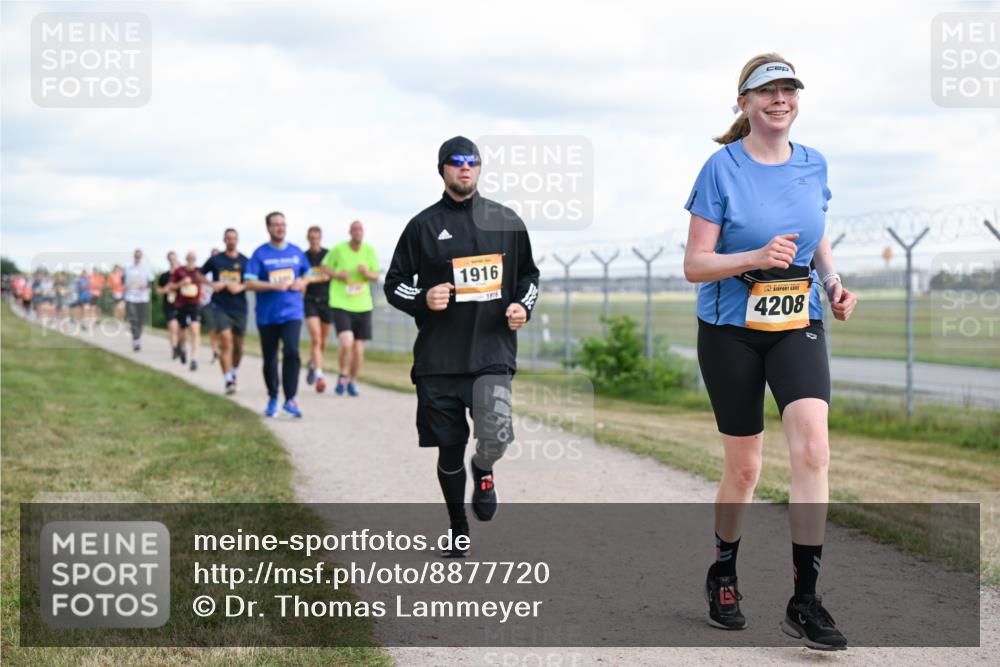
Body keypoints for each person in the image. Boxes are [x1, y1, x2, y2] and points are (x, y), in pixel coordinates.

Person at [682, 54, 858, 651]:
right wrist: (755, 257)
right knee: (746, 468)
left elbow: (818, 232)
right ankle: (723, 571)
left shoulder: (814, 164)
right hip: (730, 328)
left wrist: (831, 282)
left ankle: (804, 601)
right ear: (744, 104)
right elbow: (694, 265)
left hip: (798, 321)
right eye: (766, 91)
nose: (779, 99)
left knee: (813, 447)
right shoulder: (720, 168)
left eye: (788, 90)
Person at [384, 136, 539, 557]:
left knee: (497, 434)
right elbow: (393, 284)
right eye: (456, 162)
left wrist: (521, 308)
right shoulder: (422, 226)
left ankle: (484, 468)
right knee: (449, 449)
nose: (465, 168)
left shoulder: (505, 221)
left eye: (472, 162)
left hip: (491, 354)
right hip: (439, 360)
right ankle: (457, 524)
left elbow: (528, 278)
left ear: (479, 169)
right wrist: (422, 298)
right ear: (443, 169)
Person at [245, 211, 310, 418]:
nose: (280, 228)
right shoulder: (260, 254)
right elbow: (249, 282)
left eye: (283, 224)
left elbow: (307, 273)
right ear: (268, 228)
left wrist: (302, 282)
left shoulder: (296, 252)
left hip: (292, 312)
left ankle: (290, 398)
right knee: (270, 357)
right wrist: (272, 285)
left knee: (292, 352)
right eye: (276, 225)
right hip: (267, 315)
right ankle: (273, 396)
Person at [321, 220, 380, 396]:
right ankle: (342, 374)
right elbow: (324, 267)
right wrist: (338, 275)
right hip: (341, 303)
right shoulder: (338, 249)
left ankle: (352, 381)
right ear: (350, 232)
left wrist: (366, 273)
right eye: (354, 229)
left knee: (359, 349)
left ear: (363, 232)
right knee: (346, 342)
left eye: (360, 229)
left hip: (363, 305)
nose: (357, 232)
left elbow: (376, 276)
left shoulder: (369, 250)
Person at [201, 230, 249, 394]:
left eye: (234, 238)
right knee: (226, 341)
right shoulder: (216, 260)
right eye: (228, 238)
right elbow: (198, 274)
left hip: (240, 307)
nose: (231, 241)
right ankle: (228, 379)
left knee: (239, 347)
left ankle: (234, 371)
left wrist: (240, 287)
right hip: (220, 306)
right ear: (224, 240)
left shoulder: (244, 261)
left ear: (237, 240)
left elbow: (251, 280)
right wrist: (211, 284)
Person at [303, 226, 332, 393]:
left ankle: (313, 364)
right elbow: (303, 278)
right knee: (316, 338)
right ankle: (320, 375)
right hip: (310, 301)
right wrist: (320, 277)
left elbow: (332, 274)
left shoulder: (328, 255)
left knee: (323, 340)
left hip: (327, 300)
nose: (314, 240)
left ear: (320, 238)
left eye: (317, 238)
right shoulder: (303, 256)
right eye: (311, 238)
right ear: (308, 238)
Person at [169, 251, 205, 371]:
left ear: (196, 259)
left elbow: (204, 282)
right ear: (186, 259)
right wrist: (181, 283)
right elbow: (171, 286)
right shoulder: (179, 271)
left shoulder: (199, 271)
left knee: (195, 329)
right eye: (189, 258)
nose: (191, 260)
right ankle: (182, 347)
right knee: (182, 331)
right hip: (181, 304)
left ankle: (194, 359)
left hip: (195, 304)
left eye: (193, 258)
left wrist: (203, 291)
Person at [123, 249, 155, 351]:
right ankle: (135, 338)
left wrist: (145, 285)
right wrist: (125, 286)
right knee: (133, 318)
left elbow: (151, 282)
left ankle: (138, 338)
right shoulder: (128, 267)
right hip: (130, 296)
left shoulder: (147, 268)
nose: (137, 258)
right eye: (136, 256)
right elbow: (122, 280)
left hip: (142, 297)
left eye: (139, 256)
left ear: (141, 257)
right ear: (134, 256)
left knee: (140, 320)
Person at [156, 251, 185, 362]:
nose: (173, 261)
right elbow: (159, 290)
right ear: (168, 260)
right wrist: (165, 290)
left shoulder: (183, 274)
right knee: (172, 328)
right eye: (170, 259)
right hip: (169, 304)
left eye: (174, 258)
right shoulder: (164, 276)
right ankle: (174, 349)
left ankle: (180, 346)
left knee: (181, 330)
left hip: (182, 305)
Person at [202, 248, 221, 365]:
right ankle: (215, 351)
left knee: (223, 330)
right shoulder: (206, 273)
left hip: (222, 304)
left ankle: (221, 350)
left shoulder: (224, 270)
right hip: (208, 303)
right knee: (212, 329)